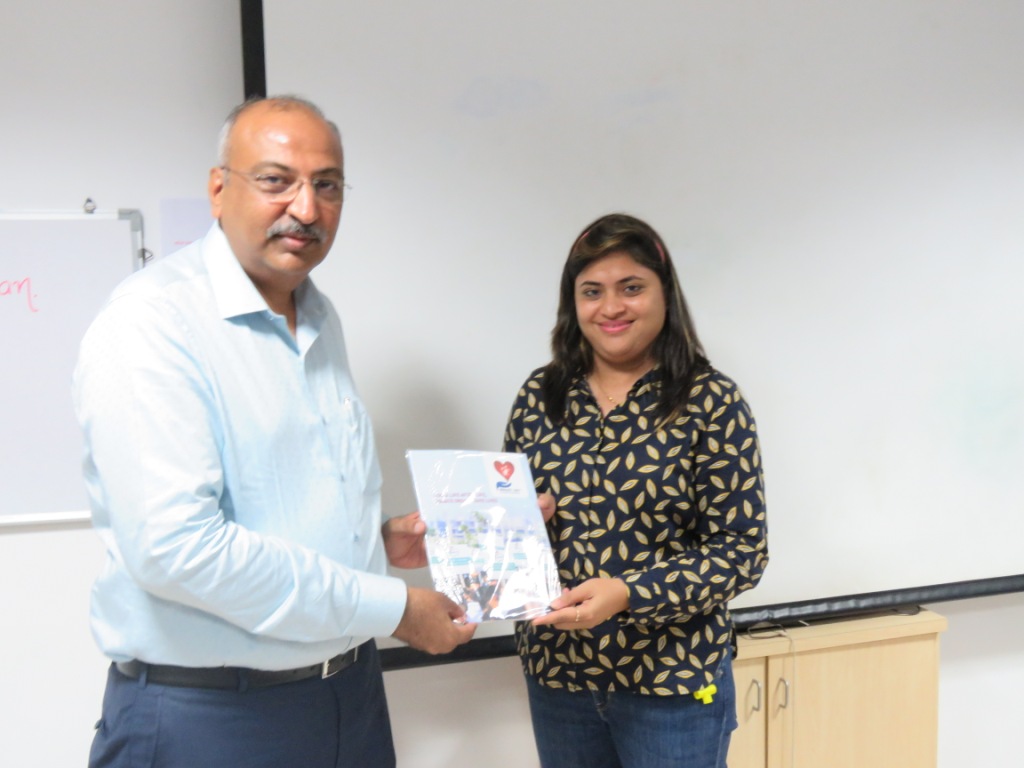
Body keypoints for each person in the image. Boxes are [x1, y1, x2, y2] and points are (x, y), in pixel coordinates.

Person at [73, 95, 475, 768]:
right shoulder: (152, 324)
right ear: (218, 189)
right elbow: (177, 549)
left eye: (328, 185)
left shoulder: (320, 316)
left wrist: (372, 542)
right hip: (212, 718)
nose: (307, 208)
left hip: (350, 696)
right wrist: (394, 608)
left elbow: (279, 498)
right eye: (276, 180)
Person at [502, 213, 768, 768]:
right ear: (572, 303)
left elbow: (742, 552)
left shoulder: (711, 402)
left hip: (673, 684)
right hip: (559, 677)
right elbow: (507, 523)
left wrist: (629, 593)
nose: (611, 307)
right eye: (591, 291)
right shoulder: (540, 396)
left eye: (631, 287)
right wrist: (512, 525)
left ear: (665, 294)